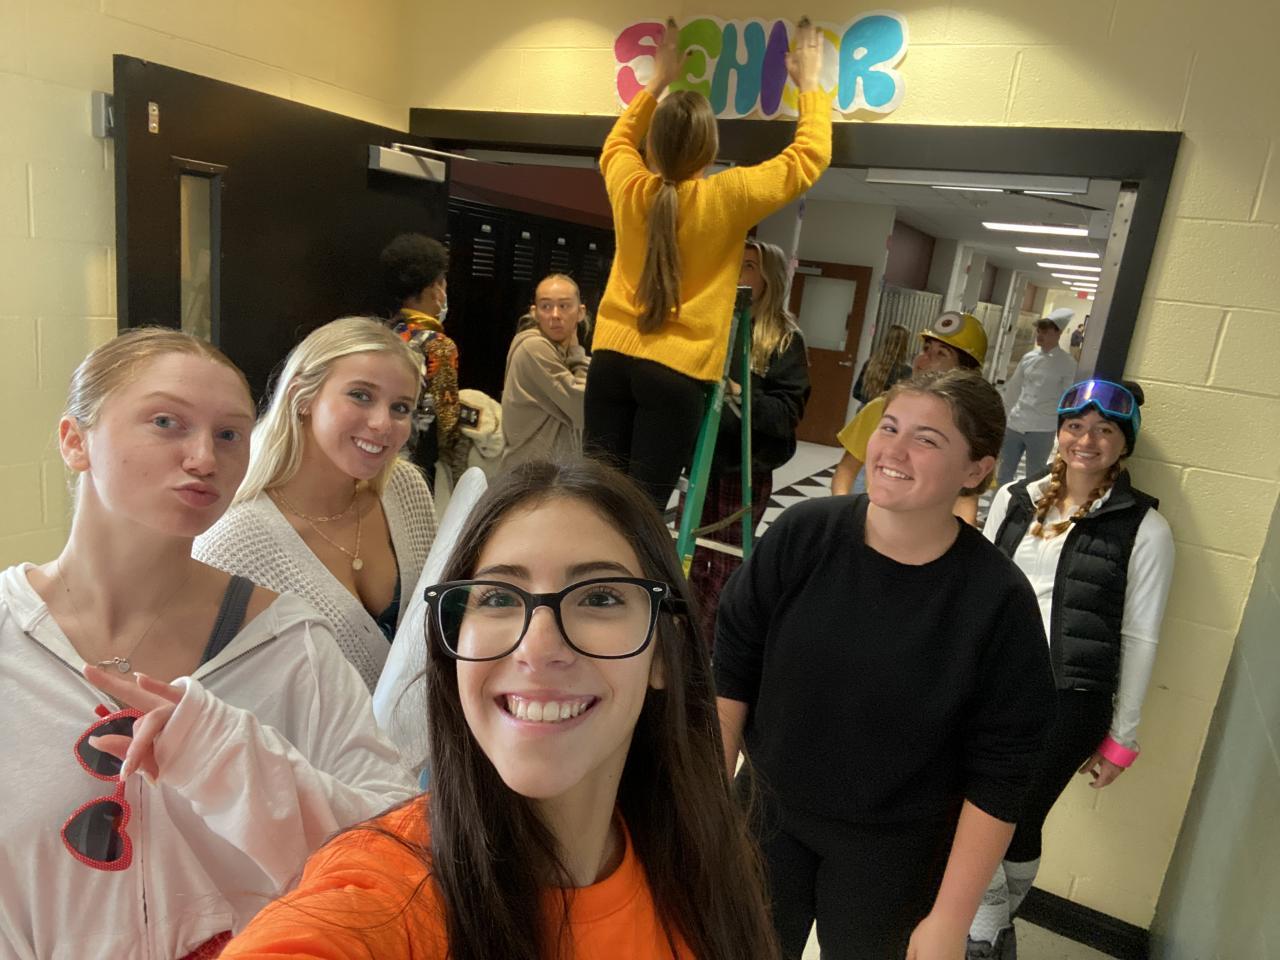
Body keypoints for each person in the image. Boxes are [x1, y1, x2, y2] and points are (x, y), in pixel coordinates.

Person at [222, 459, 781, 960]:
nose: (537, 648)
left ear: (663, 652)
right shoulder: (387, 896)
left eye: (600, 597)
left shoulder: (703, 867)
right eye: (497, 598)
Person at [1, 328, 414, 960]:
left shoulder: (289, 646)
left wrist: (233, 757)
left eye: (229, 435)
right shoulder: (11, 637)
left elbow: (397, 850)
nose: (203, 458)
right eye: (166, 422)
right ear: (74, 441)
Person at [716, 370, 1056, 960]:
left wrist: (951, 918)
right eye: (889, 427)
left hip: (895, 848)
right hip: (765, 813)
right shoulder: (803, 535)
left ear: (976, 469)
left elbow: (1003, 772)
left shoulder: (996, 601)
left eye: (927, 439)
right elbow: (731, 671)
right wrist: (706, 813)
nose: (893, 450)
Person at [583, 17, 831, 509]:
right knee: (641, 514)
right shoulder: (728, 196)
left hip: (609, 362)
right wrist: (810, 85)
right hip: (676, 374)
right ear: (710, 150)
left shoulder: (629, 186)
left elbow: (615, 145)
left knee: (595, 501)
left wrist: (657, 81)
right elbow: (810, 155)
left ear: (653, 146)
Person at [967, 379, 1174, 959]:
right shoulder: (1014, 498)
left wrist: (1122, 737)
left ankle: (981, 939)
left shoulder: (1145, 528)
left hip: (1068, 698)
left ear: (1125, 444)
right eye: (1076, 426)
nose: (1087, 439)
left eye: (1105, 430)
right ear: (1059, 432)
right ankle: (992, 931)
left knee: (1017, 817)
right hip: (990, 682)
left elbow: (1141, 637)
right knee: (969, 805)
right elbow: (977, 587)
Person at [195, 317, 438, 691]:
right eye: (361, 395)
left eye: (401, 408)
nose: (382, 423)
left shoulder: (405, 489)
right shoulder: (233, 544)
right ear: (302, 396)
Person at [686, 239, 810, 644]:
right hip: (703, 459)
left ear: (768, 278)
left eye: (750, 266)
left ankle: (705, 646)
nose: (738, 274)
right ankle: (681, 636)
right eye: (735, 264)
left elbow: (785, 414)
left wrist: (740, 393)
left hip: (745, 466)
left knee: (726, 564)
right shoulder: (714, 324)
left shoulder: (785, 341)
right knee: (690, 555)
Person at [831, 311, 990, 524]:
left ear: (964, 371)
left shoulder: (972, 426)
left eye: (941, 354)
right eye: (926, 349)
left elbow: (966, 498)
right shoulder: (882, 408)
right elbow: (846, 470)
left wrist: (960, 542)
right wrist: (845, 519)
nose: (923, 359)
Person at [381, 233, 460, 488]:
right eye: (442, 283)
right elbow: (447, 419)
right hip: (414, 463)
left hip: (379, 450)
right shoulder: (438, 345)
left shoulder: (383, 333)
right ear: (434, 289)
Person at [501, 273, 591, 469]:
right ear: (535, 313)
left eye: (564, 306)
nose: (555, 315)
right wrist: (578, 355)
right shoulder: (534, 347)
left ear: (580, 312)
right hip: (530, 476)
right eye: (546, 306)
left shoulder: (560, 351)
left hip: (545, 472)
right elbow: (583, 407)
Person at [995, 307, 1078, 487]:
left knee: (1035, 476)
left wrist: (1066, 427)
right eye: (1039, 331)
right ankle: (998, 504)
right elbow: (1013, 389)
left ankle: (1028, 505)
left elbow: (1068, 399)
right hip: (1016, 423)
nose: (1040, 336)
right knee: (1003, 473)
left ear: (1058, 333)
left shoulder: (1067, 363)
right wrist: (1003, 416)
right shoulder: (1028, 358)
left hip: (1042, 427)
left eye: (1045, 332)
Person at [852, 323, 912, 404]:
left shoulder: (870, 363)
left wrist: (870, 402)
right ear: (905, 345)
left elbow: (856, 393)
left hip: (865, 409)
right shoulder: (906, 370)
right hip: (886, 410)